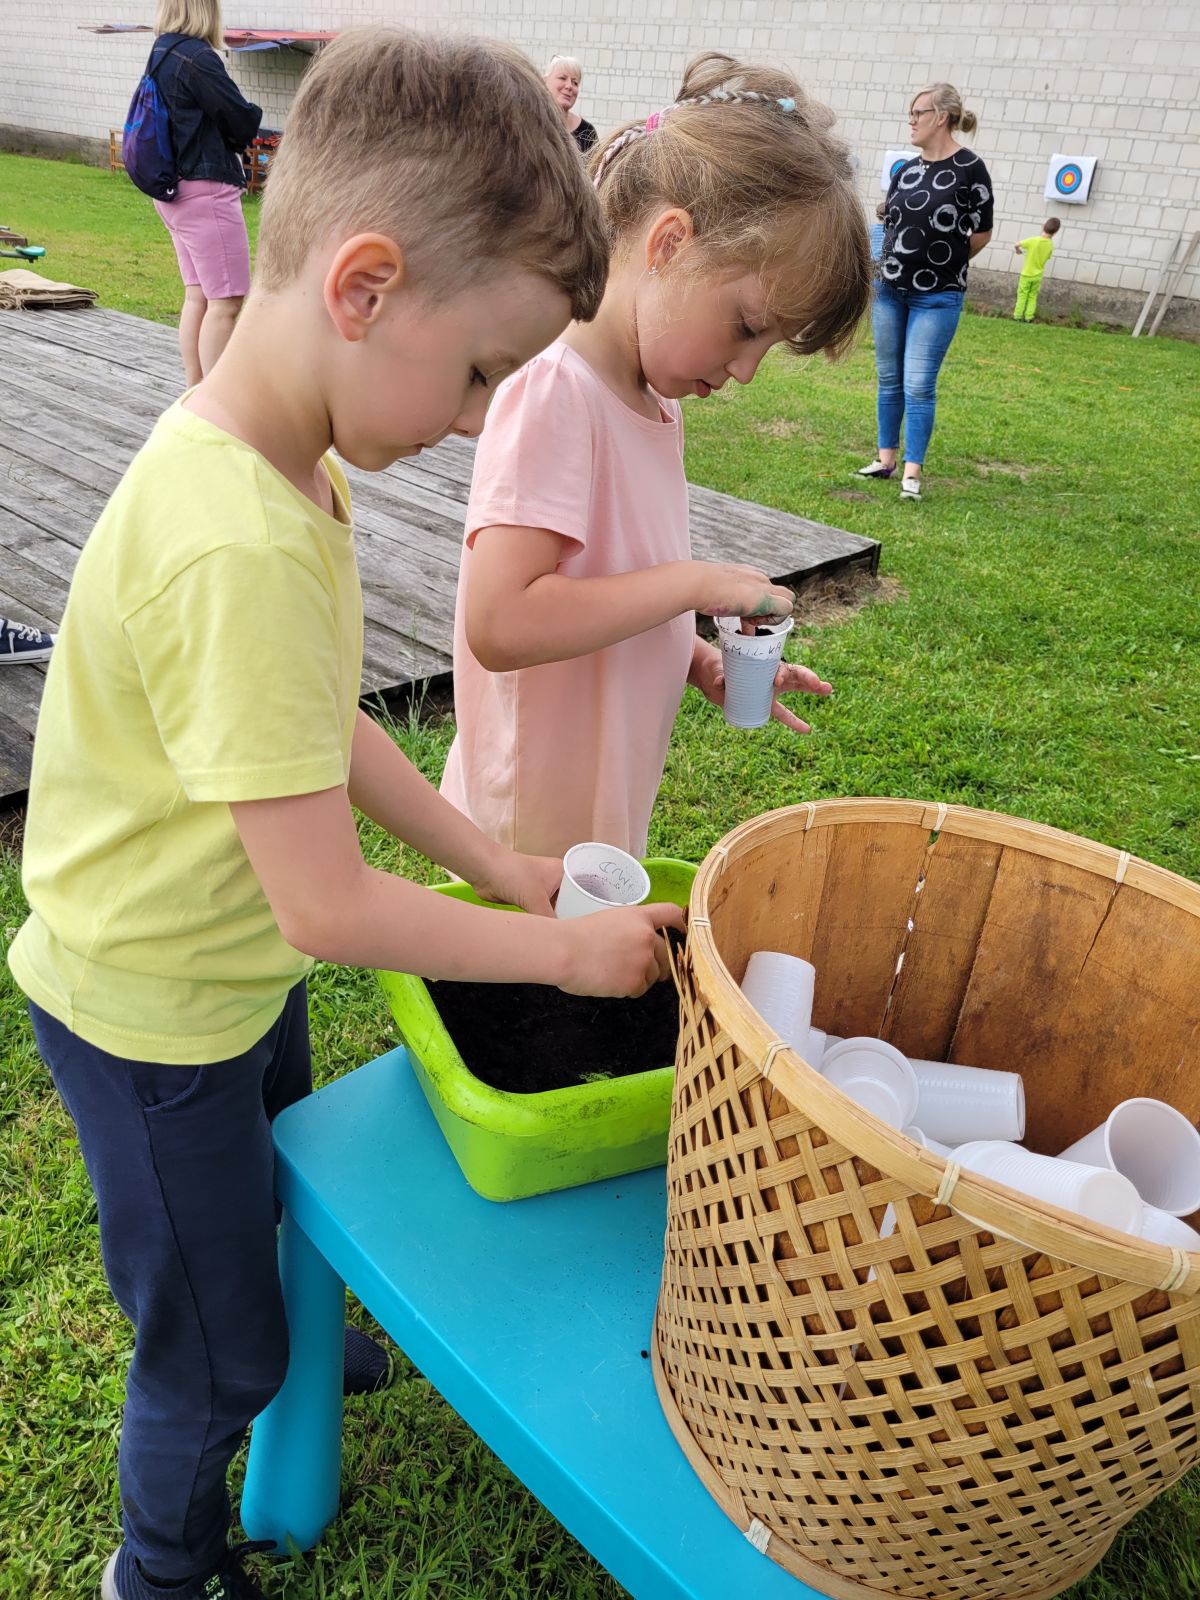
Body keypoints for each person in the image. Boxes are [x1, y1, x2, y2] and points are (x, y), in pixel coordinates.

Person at [7, 29, 684, 1600]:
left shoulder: (291, 465)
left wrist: (501, 864)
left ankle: (287, 1327)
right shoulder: (234, 540)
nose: (476, 419)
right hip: (153, 1014)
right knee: (213, 1349)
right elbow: (325, 904)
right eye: (479, 374)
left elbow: (327, 729)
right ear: (364, 287)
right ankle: (158, 1567)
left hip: (229, 971)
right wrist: (561, 956)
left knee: (282, 1181)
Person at [439, 52, 870, 861]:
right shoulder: (556, 389)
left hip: (596, 809)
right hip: (526, 833)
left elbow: (608, 585)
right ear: (669, 243)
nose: (747, 370)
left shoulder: (653, 401)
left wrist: (697, 658)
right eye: (748, 327)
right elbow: (501, 622)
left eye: (769, 348)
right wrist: (695, 585)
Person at [856, 82, 994, 501]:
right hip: (889, 291)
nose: (911, 121)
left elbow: (981, 232)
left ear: (942, 117)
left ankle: (912, 472)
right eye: (911, 113)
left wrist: (945, 266)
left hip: (937, 297)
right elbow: (890, 223)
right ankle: (885, 459)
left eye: (918, 113)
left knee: (918, 383)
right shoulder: (905, 171)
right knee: (889, 377)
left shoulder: (971, 168)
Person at [147, 0, 262, 385]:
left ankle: (195, 393)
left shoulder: (162, 51)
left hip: (175, 193)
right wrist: (253, 114)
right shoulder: (198, 58)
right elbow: (240, 121)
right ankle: (216, 400)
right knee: (226, 303)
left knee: (198, 296)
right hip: (206, 192)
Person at [545, 54, 597, 153]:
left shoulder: (588, 132)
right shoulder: (531, 123)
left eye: (575, 83)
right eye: (562, 78)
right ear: (545, 82)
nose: (569, 86)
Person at [1013, 217, 1061, 321]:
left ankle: (1017, 316)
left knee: (1022, 295)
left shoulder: (1033, 240)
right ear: (1055, 233)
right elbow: (1048, 257)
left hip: (1026, 274)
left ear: (1043, 227)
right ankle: (1029, 317)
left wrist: (1018, 250)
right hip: (1038, 275)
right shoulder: (1050, 245)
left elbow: (1017, 244)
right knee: (1032, 296)